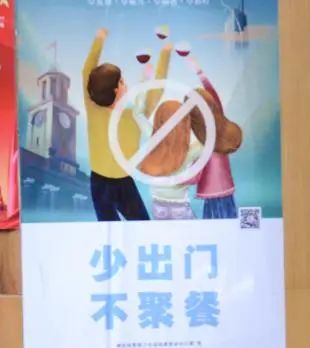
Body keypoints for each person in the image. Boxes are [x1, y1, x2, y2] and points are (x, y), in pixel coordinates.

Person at [82, 29, 170, 221]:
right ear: (116, 90)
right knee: (135, 228)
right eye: (122, 81)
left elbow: (86, 70)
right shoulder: (135, 116)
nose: (125, 83)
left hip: (111, 182)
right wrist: (165, 54)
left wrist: (99, 38)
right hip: (107, 183)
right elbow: (157, 91)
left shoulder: (93, 108)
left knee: (126, 229)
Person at [133, 65, 203, 220]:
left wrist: (144, 81)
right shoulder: (189, 151)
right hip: (180, 206)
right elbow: (210, 139)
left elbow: (137, 113)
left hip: (158, 206)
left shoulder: (154, 139)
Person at [183, 56, 243, 219]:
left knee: (214, 225)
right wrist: (199, 71)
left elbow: (194, 176)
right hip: (227, 191)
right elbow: (213, 95)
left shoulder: (203, 147)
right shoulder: (221, 132)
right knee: (230, 220)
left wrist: (174, 179)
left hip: (211, 197)